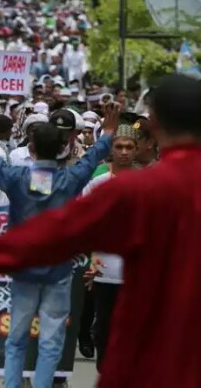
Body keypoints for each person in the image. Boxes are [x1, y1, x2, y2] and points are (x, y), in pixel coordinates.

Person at [0, 75, 201, 388]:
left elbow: (45, 237)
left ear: (155, 124)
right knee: (49, 339)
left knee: (21, 338)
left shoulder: (131, 192)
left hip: (144, 365)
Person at [0, 101, 118, 388]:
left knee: (16, 340)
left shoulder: (17, 177)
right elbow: (94, 159)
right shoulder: (71, 179)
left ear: (31, 146)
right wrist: (109, 133)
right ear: (64, 148)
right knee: (51, 342)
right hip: (57, 274)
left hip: (25, 272)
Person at [82, 124, 138, 372]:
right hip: (105, 270)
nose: (124, 152)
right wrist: (90, 258)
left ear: (137, 150)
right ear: (111, 151)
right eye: (120, 147)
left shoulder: (149, 183)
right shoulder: (98, 184)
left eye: (129, 147)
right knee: (104, 328)